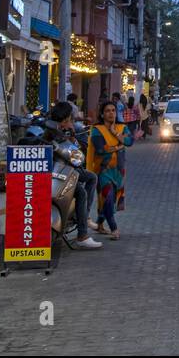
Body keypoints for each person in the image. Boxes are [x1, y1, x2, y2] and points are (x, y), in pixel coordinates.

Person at [46, 101, 102, 250]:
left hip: (67, 168)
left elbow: (74, 149)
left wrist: (71, 137)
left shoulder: (63, 130)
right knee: (81, 192)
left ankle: (83, 216)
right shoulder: (51, 130)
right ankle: (82, 234)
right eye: (69, 119)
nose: (70, 121)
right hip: (57, 172)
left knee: (91, 177)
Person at [87, 101, 132, 240]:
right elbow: (102, 150)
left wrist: (114, 133)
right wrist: (120, 145)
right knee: (108, 197)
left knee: (110, 200)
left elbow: (130, 142)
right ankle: (114, 229)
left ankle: (100, 224)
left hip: (118, 171)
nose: (111, 113)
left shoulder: (121, 127)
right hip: (103, 170)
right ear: (102, 114)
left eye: (113, 110)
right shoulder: (97, 130)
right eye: (107, 111)